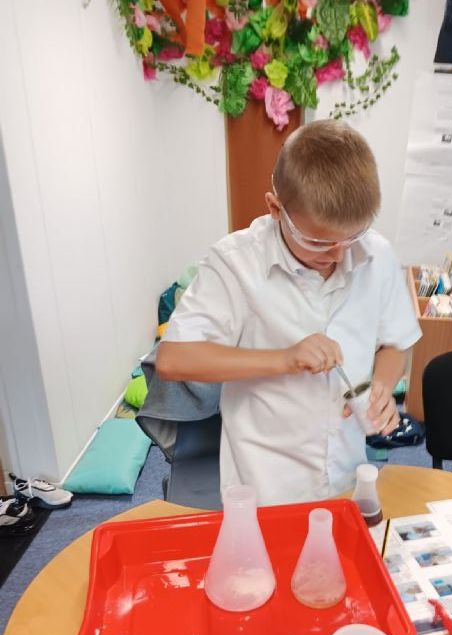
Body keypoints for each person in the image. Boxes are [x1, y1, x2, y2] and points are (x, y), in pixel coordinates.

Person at [156, 119, 421, 505]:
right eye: (319, 241)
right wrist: (284, 358)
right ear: (276, 208)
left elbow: (396, 342)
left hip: (346, 476)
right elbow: (174, 359)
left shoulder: (376, 254)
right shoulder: (236, 263)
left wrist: (381, 384)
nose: (338, 254)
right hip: (265, 487)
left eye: (352, 236)